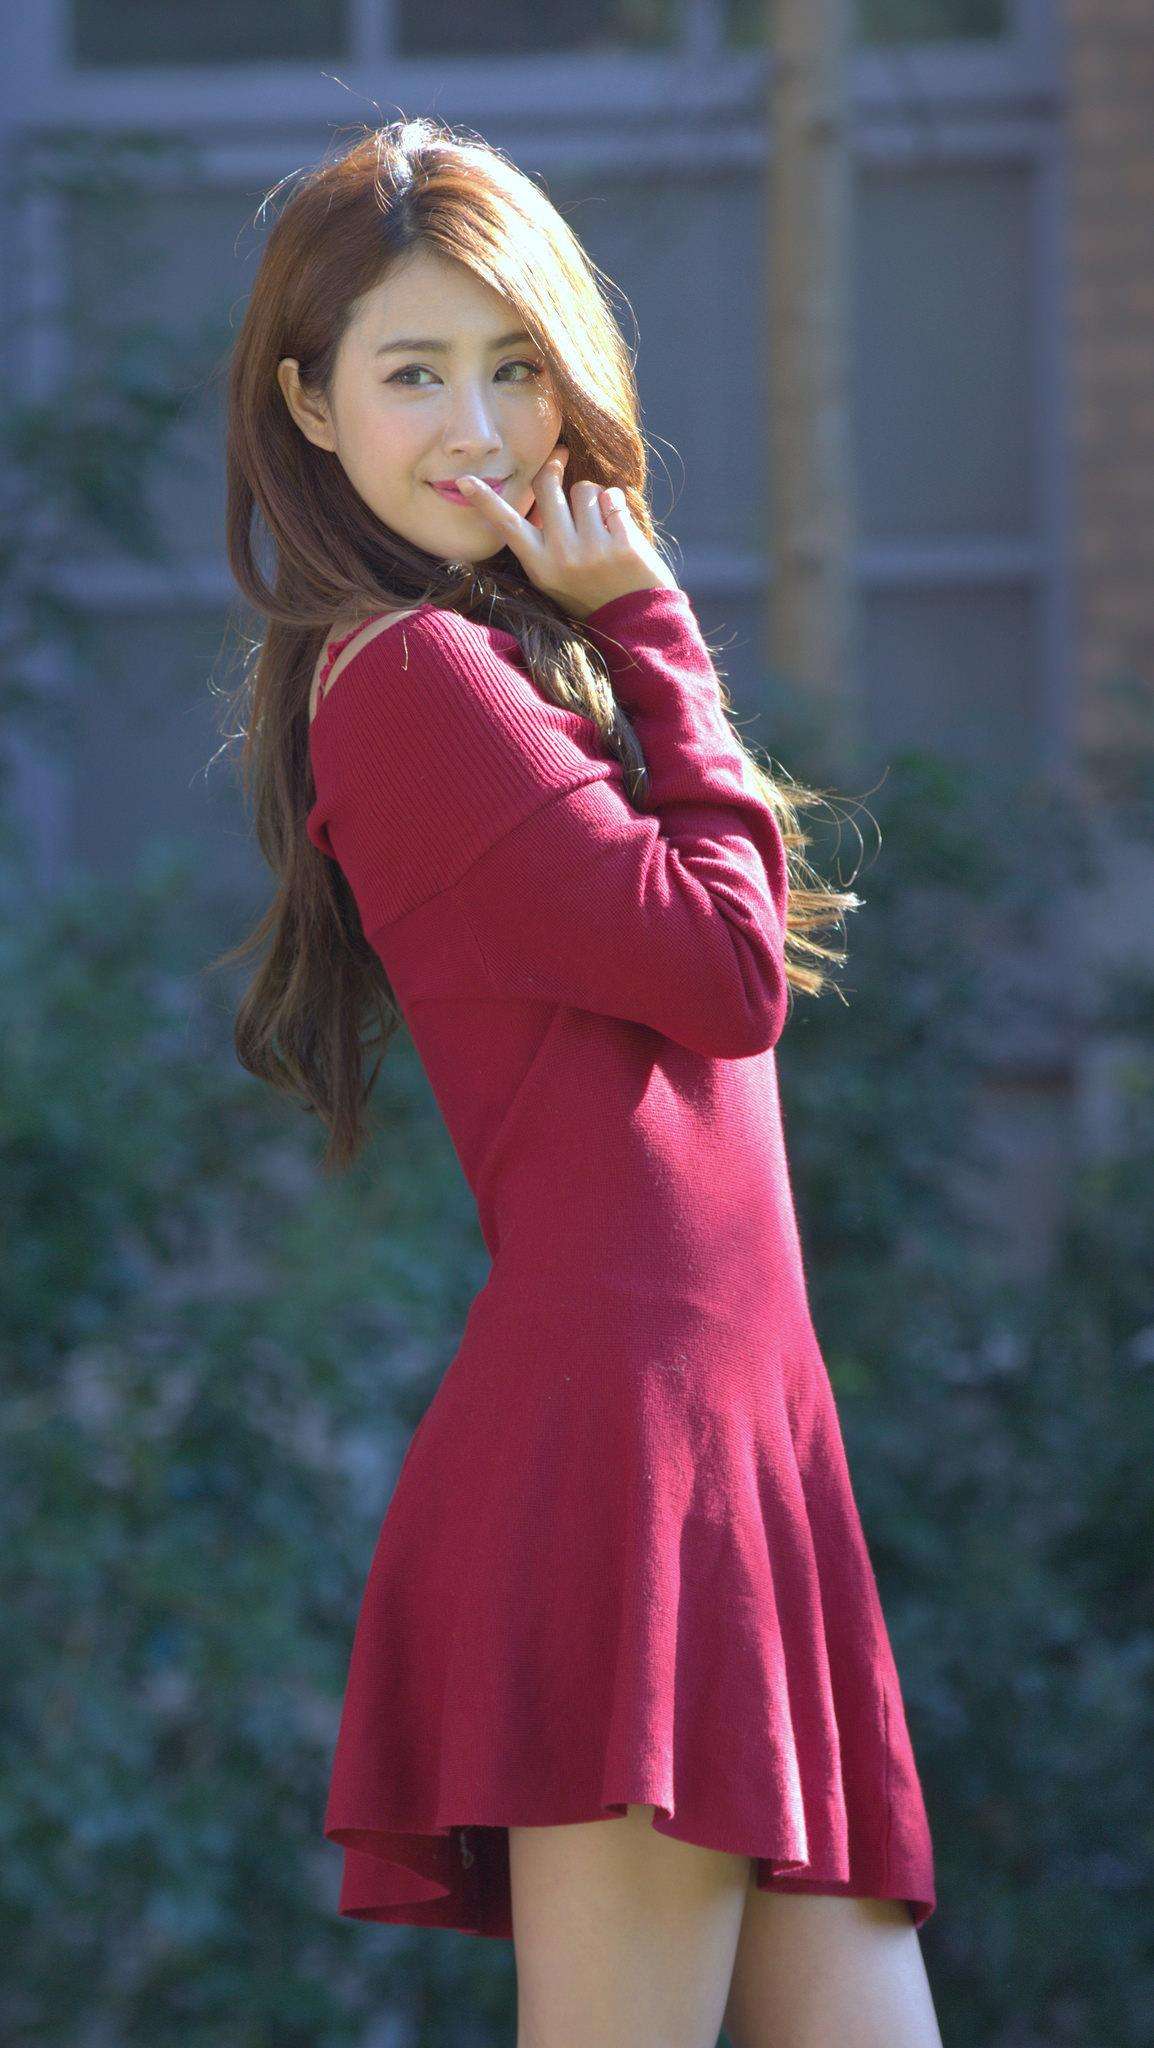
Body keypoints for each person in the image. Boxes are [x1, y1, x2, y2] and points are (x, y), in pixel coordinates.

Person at [216, 116, 945, 2048]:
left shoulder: (502, 669)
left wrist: (621, 648)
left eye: (512, 365)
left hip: (737, 1435)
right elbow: (726, 974)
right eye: (413, 373)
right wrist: (655, 628)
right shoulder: (412, 680)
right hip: (630, 1457)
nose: (476, 426)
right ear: (310, 406)